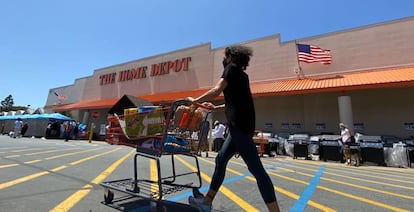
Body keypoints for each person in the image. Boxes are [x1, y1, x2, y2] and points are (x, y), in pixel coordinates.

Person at [187, 45, 280, 212]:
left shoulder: (230, 69)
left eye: (226, 56)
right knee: (221, 159)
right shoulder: (243, 76)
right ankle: (207, 202)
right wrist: (215, 108)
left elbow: (216, 90)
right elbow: (237, 101)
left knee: (257, 171)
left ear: (231, 57)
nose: (225, 59)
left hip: (239, 127)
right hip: (240, 127)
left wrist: (195, 102)